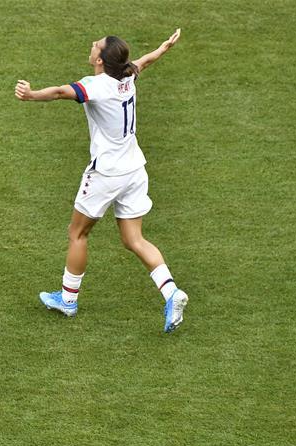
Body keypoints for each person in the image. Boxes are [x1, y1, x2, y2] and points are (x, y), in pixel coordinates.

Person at [15, 29, 188, 332]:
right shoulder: (127, 77)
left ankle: (68, 300)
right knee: (134, 239)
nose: (92, 45)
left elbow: (58, 92)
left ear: (99, 59)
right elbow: (145, 61)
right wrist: (164, 47)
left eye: (96, 45)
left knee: (78, 233)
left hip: (106, 173)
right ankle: (171, 292)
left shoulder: (95, 86)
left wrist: (31, 95)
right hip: (135, 169)